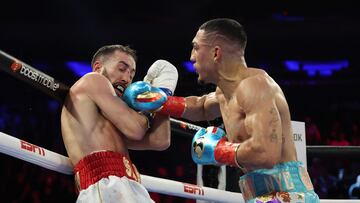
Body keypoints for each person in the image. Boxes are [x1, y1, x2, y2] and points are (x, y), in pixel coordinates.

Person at [125, 18, 320, 202]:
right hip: (260, 196)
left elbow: (265, 154)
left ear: (216, 52)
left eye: (196, 47)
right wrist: (160, 102)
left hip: (288, 197)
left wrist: (218, 150)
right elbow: (201, 107)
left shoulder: (254, 86)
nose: (191, 57)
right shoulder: (224, 93)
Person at [61, 44, 177, 203]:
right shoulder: (93, 79)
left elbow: (160, 140)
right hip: (104, 185)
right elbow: (136, 129)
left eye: (131, 74)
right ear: (97, 67)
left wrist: (165, 94)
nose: (127, 78)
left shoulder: (112, 117)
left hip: (130, 185)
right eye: (122, 69)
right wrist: (153, 100)